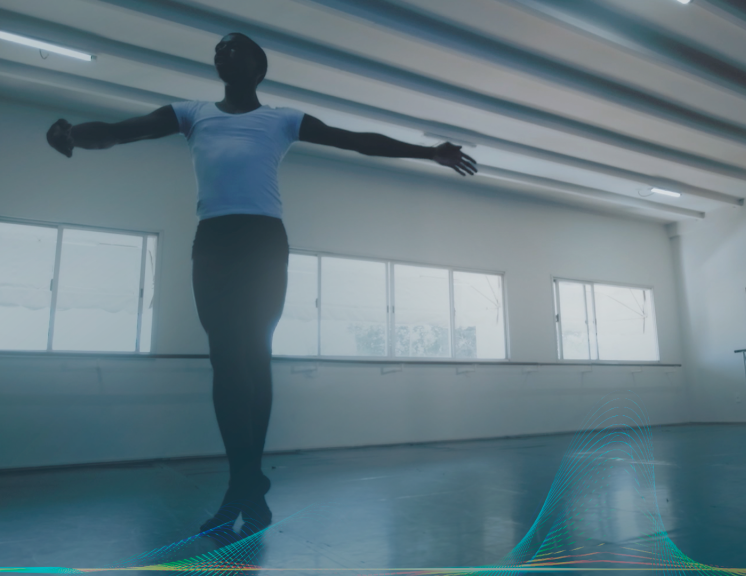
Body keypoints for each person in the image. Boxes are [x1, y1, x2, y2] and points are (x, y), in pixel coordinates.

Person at [46, 32, 477, 539]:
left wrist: (429, 153)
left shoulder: (281, 119)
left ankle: (242, 487)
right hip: (214, 242)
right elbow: (120, 131)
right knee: (226, 360)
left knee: (254, 355)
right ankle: (246, 483)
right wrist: (74, 134)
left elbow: (357, 141)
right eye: (217, 49)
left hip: (263, 240)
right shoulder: (191, 113)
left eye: (234, 46)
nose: (221, 51)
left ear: (258, 67)